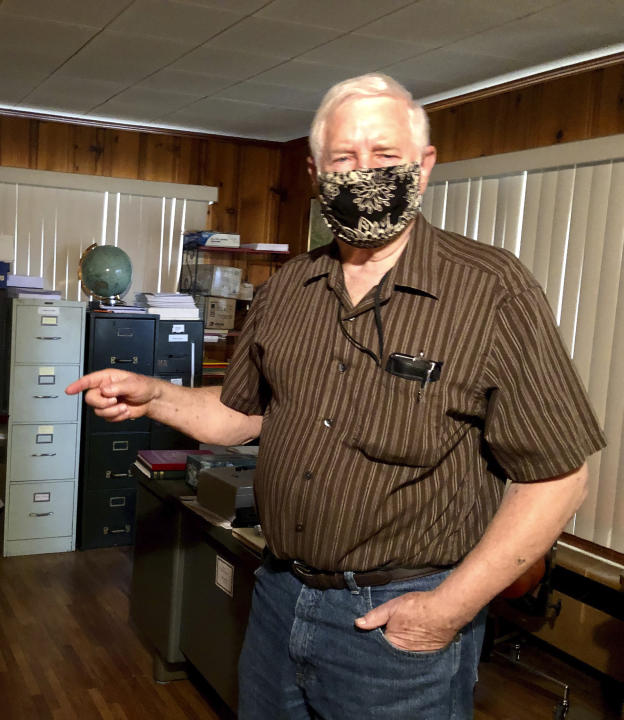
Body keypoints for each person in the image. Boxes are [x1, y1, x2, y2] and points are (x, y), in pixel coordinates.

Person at [65, 73, 605, 719]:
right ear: (317, 169)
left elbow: (557, 478)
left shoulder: (491, 292)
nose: (364, 173)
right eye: (345, 159)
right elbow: (239, 418)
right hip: (279, 595)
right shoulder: (290, 287)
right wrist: (155, 394)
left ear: (424, 166)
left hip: (399, 623)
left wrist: (446, 611)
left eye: (385, 156)